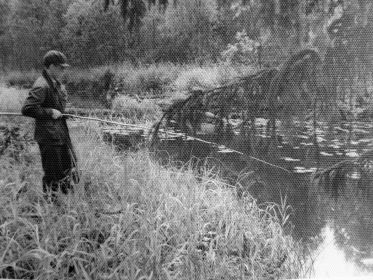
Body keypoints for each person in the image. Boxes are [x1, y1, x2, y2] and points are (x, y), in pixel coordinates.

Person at [21, 50, 79, 203]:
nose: (63, 70)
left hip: (60, 135)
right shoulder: (41, 85)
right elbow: (27, 108)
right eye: (61, 67)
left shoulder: (55, 84)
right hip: (49, 138)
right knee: (52, 175)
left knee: (70, 169)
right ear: (51, 66)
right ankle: (50, 208)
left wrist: (65, 112)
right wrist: (49, 112)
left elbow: (58, 109)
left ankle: (66, 204)